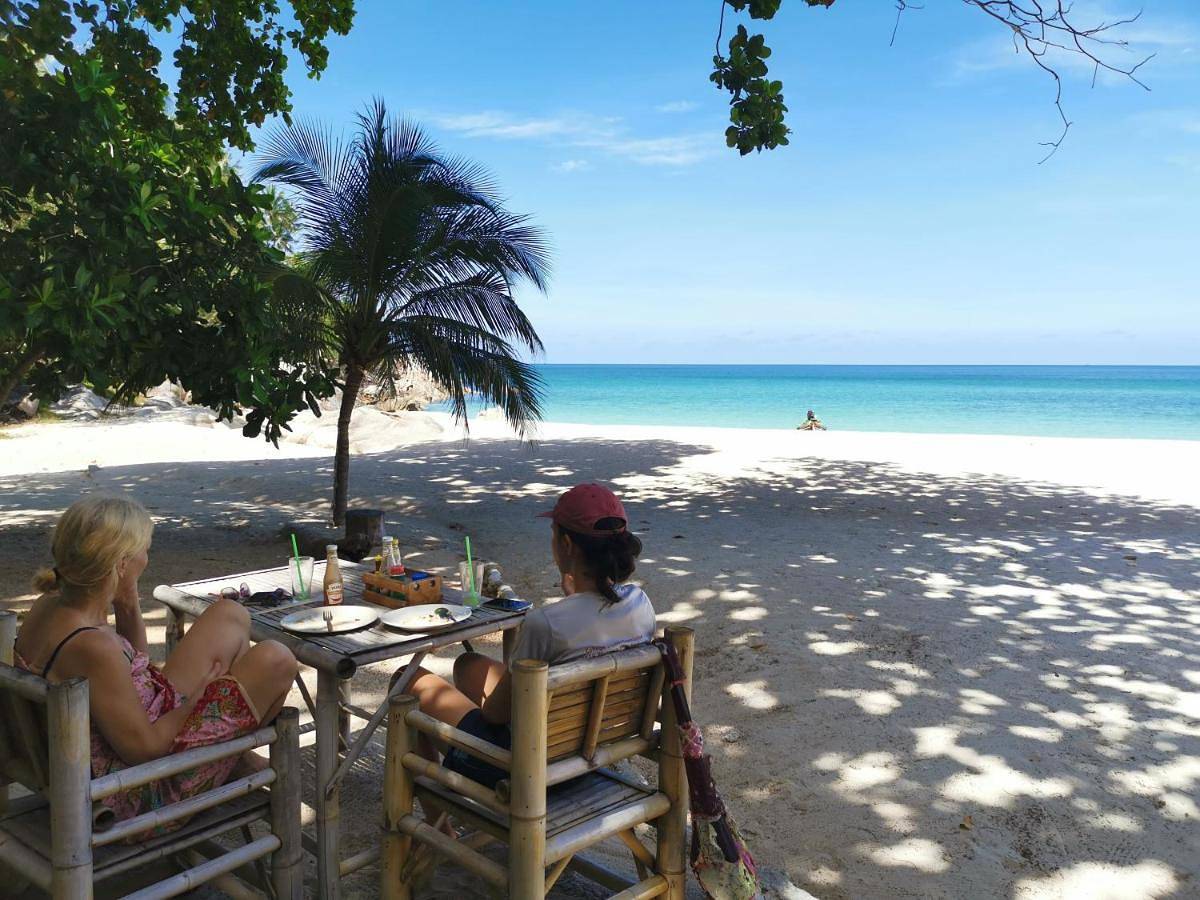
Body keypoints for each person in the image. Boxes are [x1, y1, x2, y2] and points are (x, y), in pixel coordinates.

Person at [15, 495, 298, 826]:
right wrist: (202, 698)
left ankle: (231, 757)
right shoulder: (91, 645)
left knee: (230, 614)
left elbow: (136, 665)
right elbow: (144, 749)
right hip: (142, 788)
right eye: (144, 550)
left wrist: (127, 601)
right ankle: (230, 758)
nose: (146, 557)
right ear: (120, 564)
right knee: (276, 659)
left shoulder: (53, 604)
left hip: (138, 722)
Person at [400, 482, 655, 788]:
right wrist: (576, 597)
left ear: (567, 545)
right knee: (468, 666)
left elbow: (495, 714)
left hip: (529, 770)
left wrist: (479, 717)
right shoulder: (640, 604)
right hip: (594, 745)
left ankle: (441, 816)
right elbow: (593, 623)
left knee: (406, 678)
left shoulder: (546, 623)